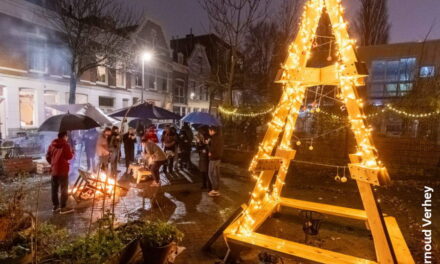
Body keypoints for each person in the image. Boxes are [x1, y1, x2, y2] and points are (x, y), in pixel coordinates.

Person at [46, 131, 74, 214]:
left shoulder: (51, 145)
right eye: (67, 137)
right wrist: (72, 152)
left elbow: (47, 156)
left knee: (54, 189)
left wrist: (53, 163)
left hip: (54, 170)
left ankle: (55, 206)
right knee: (64, 189)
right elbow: (69, 156)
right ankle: (63, 207)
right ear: (65, 136)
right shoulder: (65, 145)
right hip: (63, 170)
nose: (67, 138)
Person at [208, 126, 223, 197]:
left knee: (210, 173)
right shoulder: (220, 137)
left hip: (213, 158)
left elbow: (212, 148)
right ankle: (217, 189)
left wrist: (209, 150)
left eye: (209, 131)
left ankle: (214, 189)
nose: (209, 132)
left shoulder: (214, 138)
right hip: (218, 158)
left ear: (213, 131)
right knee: (217, 174)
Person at [195, 126, 211, 190]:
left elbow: (208, 146)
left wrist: (203, 145)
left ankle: (209, 186)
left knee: (207, 172)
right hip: (202, 157)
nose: (199, 132)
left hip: (206, 157)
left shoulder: (207, 137)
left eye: (200, 131)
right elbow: (198, 148)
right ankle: (204, 184)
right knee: (203, 172)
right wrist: (198, 142)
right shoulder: (201, 137)